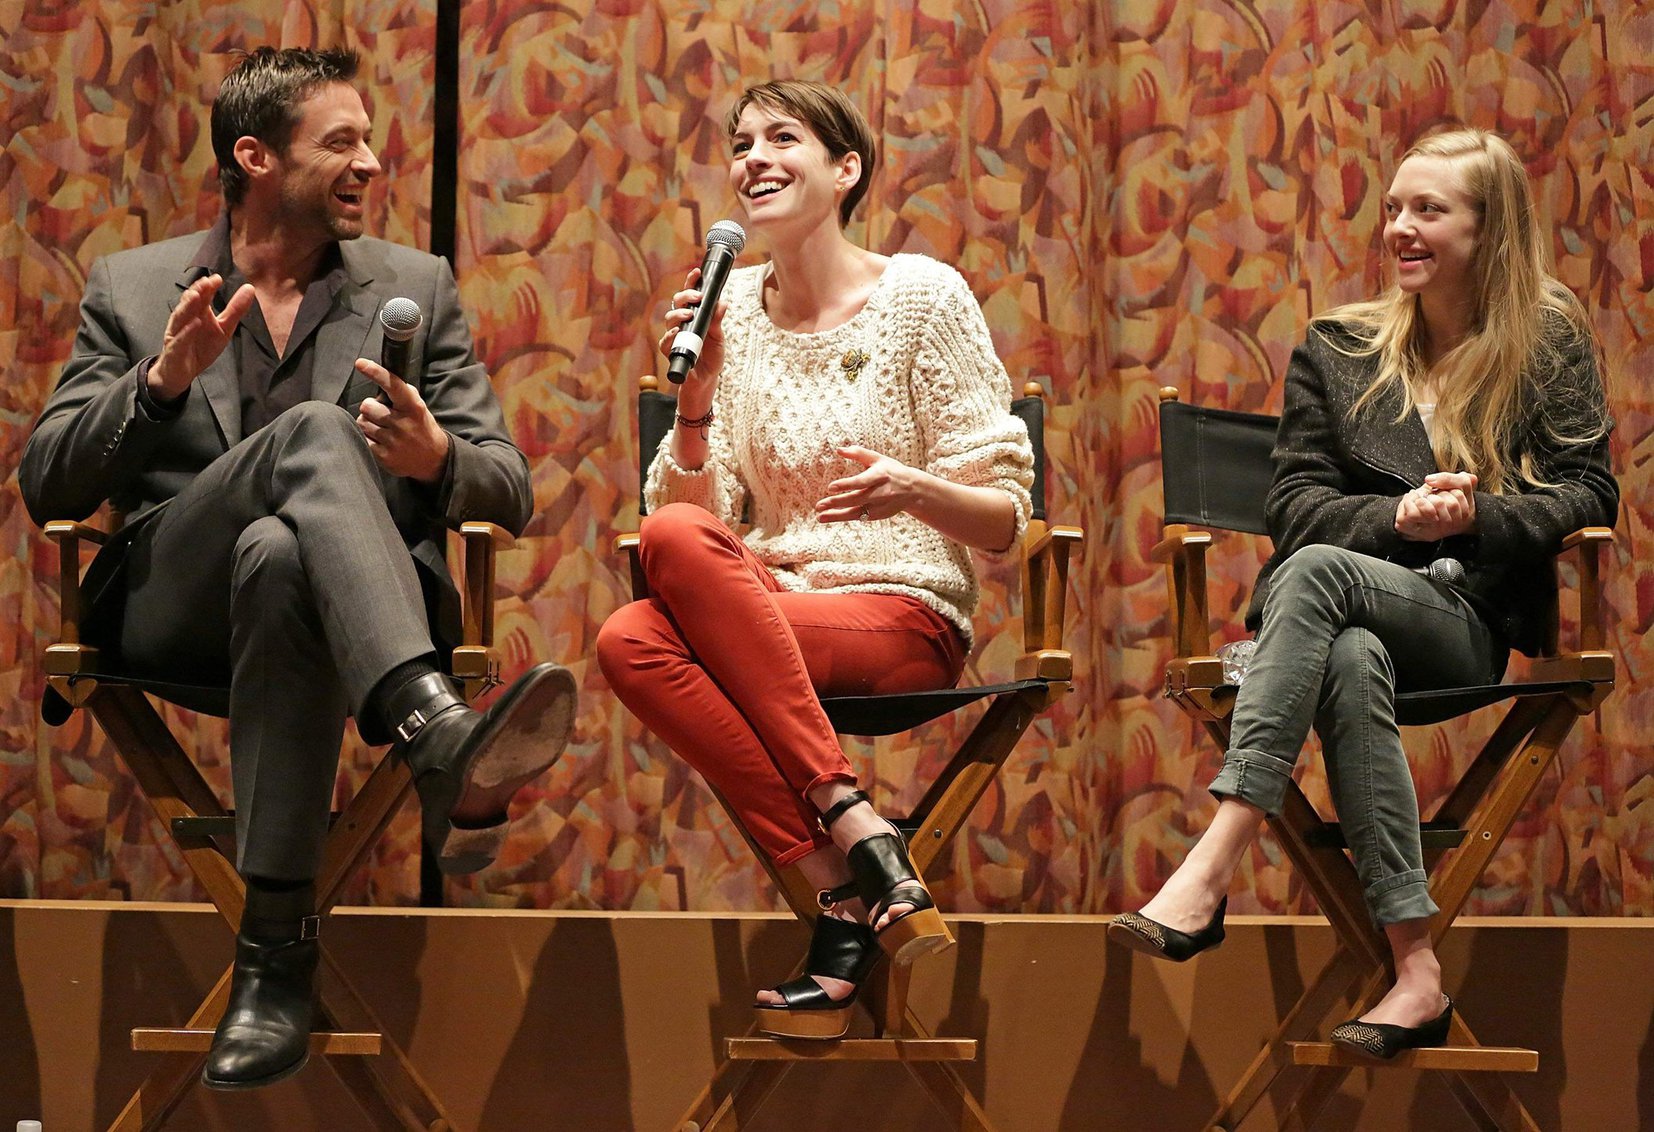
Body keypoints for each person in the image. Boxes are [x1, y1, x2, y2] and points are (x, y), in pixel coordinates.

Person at [19, 47, 577, 1089]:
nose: (371, 160)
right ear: (256, 157)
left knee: (281, 553)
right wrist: (156, 386)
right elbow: (46, 482)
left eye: (369, 139)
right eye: (342, 142)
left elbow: (508, 484)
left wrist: (437, 458)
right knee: (312, 439)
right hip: (172, 601)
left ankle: (271, 961)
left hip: (336, 616)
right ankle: (434, 728)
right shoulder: (136, 290)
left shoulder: (415, 287)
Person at [1109, 127, 1618, 1058]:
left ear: (1490, 227)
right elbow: (1295, 504)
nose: (1400, 229)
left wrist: (1473, 518)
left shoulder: (1547, 338)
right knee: (1342, 642)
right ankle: (1415, 972)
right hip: (1346, 616)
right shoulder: (1340, 346)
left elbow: (1591, 490)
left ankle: (1219, 851)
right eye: (1392, 208)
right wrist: (1396, 523)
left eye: (1429, 210)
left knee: (1311, 576)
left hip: (1467, 618)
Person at [596, 80, 1034, 1040]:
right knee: (633, 627)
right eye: (742, 141)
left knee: (650, 623)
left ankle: (838, 841)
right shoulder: (734, 320)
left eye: (782, 138)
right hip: (766, 608)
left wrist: (910, 488)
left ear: (846, 170)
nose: (754, 156)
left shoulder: (923, 297)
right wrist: (699, 401)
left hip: (900, 616)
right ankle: (854, 869)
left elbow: (1006, 519)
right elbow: (679, 536)